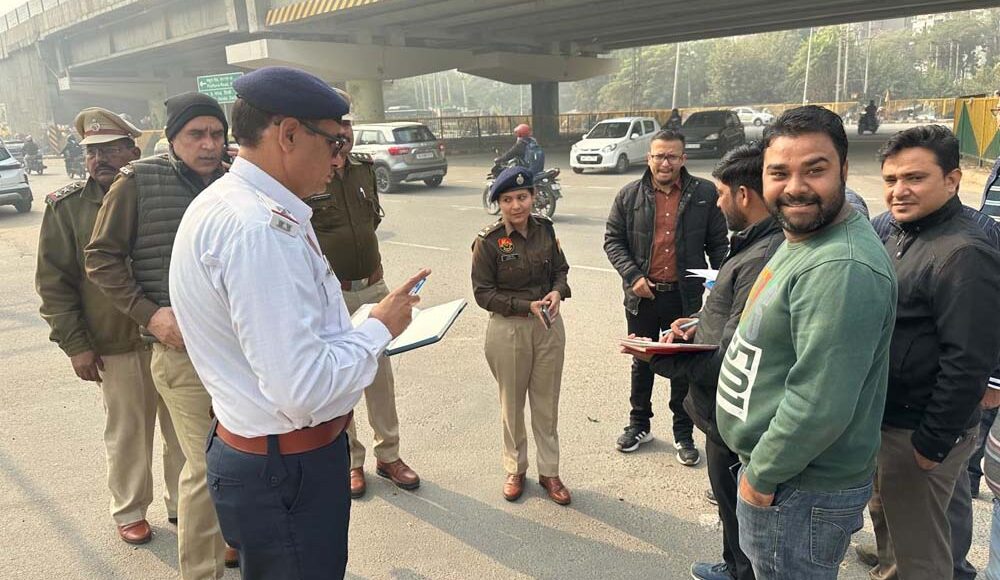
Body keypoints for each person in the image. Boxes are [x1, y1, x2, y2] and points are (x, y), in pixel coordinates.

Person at [168, 66, 426, 579]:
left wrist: (362, 322)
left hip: (264, 453)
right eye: (333, 143)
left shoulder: (236, 204)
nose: (340, 158)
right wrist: (379, 328)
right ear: (287, 134)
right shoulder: (258, 231)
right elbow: (301, 390)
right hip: (285, 468)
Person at [718, 105, 897, 579]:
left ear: (843, 169)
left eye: (814, 170)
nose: (795, 187)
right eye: (779, 173)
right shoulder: (804, 237)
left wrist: (761, 477)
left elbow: (819, 403)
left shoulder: (841, 267)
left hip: (799, 486)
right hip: (786, 476)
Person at [85, 92, 231, 578]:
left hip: (235, 350)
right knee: (206, 466)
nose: (208, 144)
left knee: (236, 459)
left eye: (216, 134)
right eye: (196, 134)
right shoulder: (137, 182)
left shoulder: (233, 181)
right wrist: (149, 316)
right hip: (180, 352)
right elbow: (101, 259)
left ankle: (226, 539)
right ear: (172, 139)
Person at [625, 142, 781, 580]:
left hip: (732, 410)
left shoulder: (762, 255)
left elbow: (737, 351)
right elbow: (734, 314)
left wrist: (658, 357)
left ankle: (740, 571)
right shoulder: (754, 244)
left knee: (740, 511)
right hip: (721, 406)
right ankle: (733, 565)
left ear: (744, 195)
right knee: (732, 509)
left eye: (723, 194)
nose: (717, 202)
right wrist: (697, 322)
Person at [35, 107, 184, 546]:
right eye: (91, 152)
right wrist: (75, 344)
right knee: (127, 432)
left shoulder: (161, 190)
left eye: (110, 149)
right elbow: (54, 283)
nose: (98, 159)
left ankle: (185, 503)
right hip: (116, 342)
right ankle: (131, 510)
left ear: (132, 151)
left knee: (184, 427)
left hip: (173, 336)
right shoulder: (67, 207)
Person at [863, 125, 1000, 580]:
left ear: (953, 180)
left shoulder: (963, 252)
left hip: (918, 431)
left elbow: (968, 361)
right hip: (888, 421)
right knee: (890, 525)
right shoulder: (899, 233)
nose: (899, 190)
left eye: (915, 178)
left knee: (921, 555)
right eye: (891, 179)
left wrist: (932, 443)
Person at [307, 89, 420, 499]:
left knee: (379, 376)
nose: (344, 133)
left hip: (372, 286)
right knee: (342, 377)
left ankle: (389, 455)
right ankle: (352, 460)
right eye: (336, 126)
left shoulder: (364, 169)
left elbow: (370, 222)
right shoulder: (308, 175)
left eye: (348, 124)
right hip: (331, 295)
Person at [604, 129, 728, 464]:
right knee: (641, 360)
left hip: (684, 297)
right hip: (643, 297)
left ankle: (683, 432)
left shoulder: (704, 194)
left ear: (683, 159)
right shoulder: (629, 195)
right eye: (659, 156)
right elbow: (613, 240)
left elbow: (719, 245)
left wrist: (721, 284)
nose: (665, 163)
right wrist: (633, 276)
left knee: (683, 364)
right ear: (649, 158)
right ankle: (639, 424)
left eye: (672, 156)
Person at [471, 165, 572, 505]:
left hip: (547, 326)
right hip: (508, 328)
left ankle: (549, 471)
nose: (516, 206)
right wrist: (525, 305)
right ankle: (515, 468)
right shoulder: (488, 241)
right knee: (511, 404)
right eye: (508, 199)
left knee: (546, 403)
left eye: (522, 197)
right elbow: (483, 294)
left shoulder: (545, 229)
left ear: (533, 197)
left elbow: (560, 269)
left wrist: (557, 291)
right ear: (498, 203)